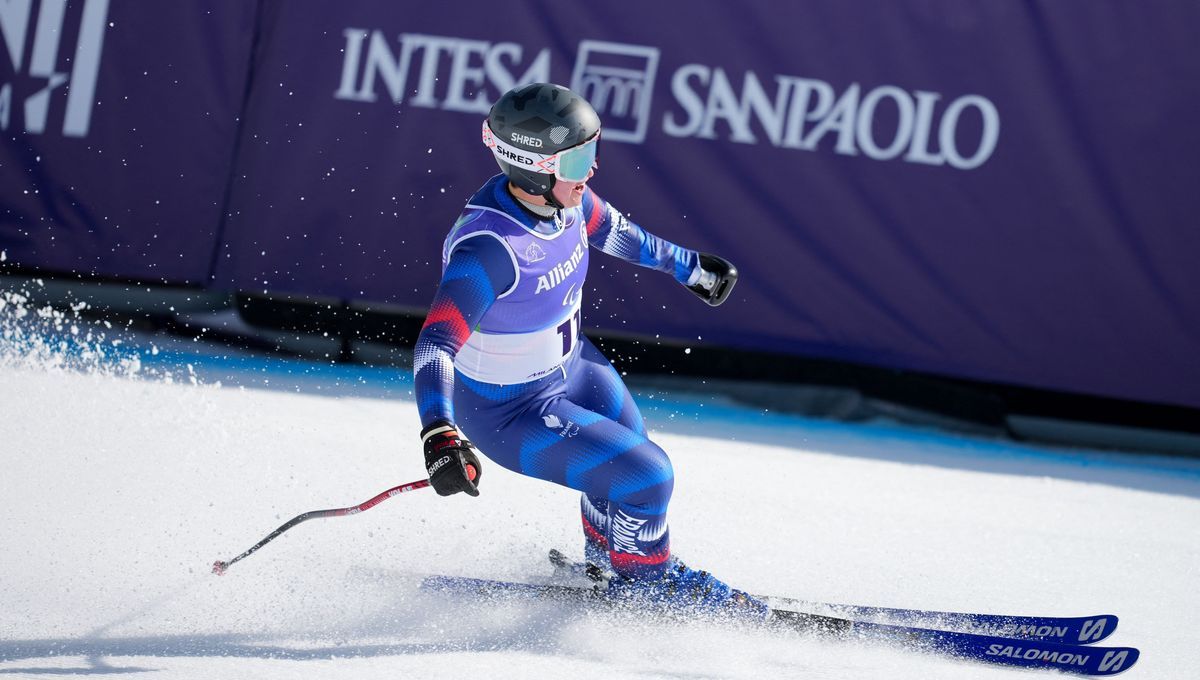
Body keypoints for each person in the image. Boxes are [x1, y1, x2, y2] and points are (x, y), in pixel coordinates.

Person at [413, 83, 761, 617]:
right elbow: (436, 346)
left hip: (572, 368)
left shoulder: (562, 198)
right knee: (648, 476)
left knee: (629, 466)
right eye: (579, 156)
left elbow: (618, 233)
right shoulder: (489, 248)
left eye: (592, 150)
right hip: (510, 411)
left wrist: (687, 266)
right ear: (533, 164)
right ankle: (650, 587)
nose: (592, 169)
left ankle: (608, 562)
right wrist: (439, 433)